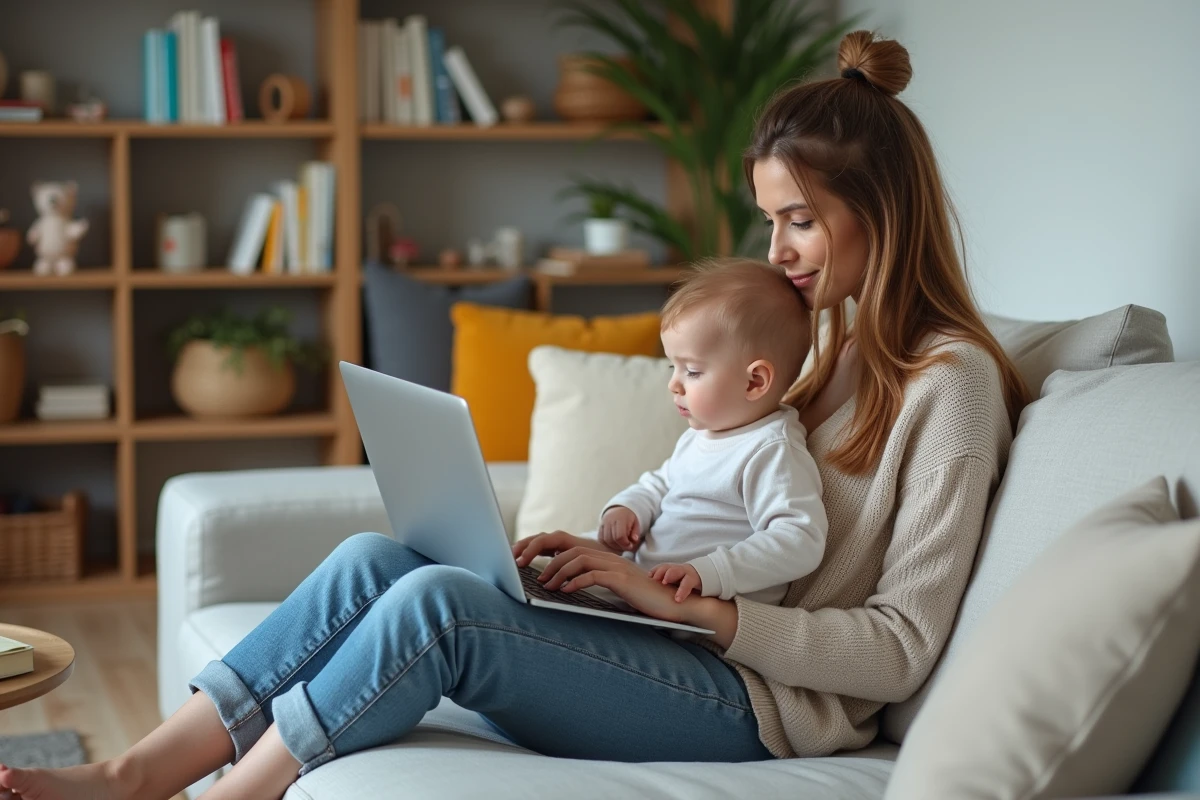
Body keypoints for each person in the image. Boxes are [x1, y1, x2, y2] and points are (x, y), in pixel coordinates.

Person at [0, 29, 1029, 800]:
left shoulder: (954, 384)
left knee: (439, 609)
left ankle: (235, 793)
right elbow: (715, 504)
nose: (777, 251)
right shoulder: (822, 347)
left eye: (800, 220)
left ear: (881, 214)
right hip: (684, 641)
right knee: (374, 559)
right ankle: (138, 770)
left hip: (759, 707)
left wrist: (694, 607)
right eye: (770, 221)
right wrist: (609, 561)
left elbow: (898, 648)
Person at [596, 258, 828, 606]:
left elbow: (800, 539)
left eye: (691, 371)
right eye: (673, 367)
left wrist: (711, 573)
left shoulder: (771, 450)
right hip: (642, 595)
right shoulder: (702, 434)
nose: (674, 384)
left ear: (755, 381)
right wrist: (628, 508)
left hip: (691, 623)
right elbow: (661, 483)